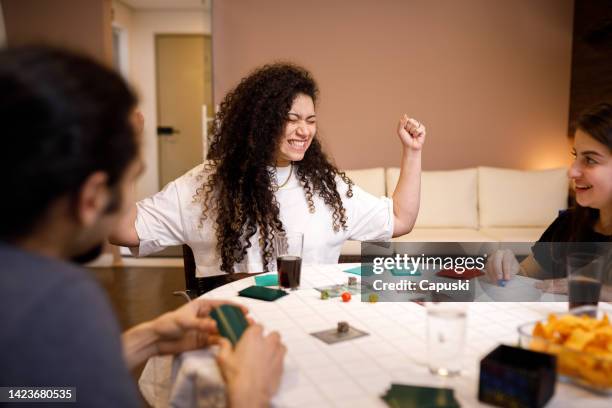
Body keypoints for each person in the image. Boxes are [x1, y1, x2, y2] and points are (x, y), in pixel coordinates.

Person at [0, 46, 285, 407]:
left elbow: (33, 394)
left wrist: (144, 341)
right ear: (93, 198)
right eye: (133, 177)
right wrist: (249, 391)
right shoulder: (59, 302)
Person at [110, 63, 426, 286]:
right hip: (233, 333)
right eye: (292, 119)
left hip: (312, 326)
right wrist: (124, 154)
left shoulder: (327, 187)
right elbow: (122, 230)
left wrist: (412, 152)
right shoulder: (205, 184)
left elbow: (400, 219)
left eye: (311, 120)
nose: (305, 131)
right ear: (261, 122)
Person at [486, 102, 612, 296]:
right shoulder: (568, 224)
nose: (572, 171)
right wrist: (508, 267)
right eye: (575, 155)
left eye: (590, 160)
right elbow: (528, 275)